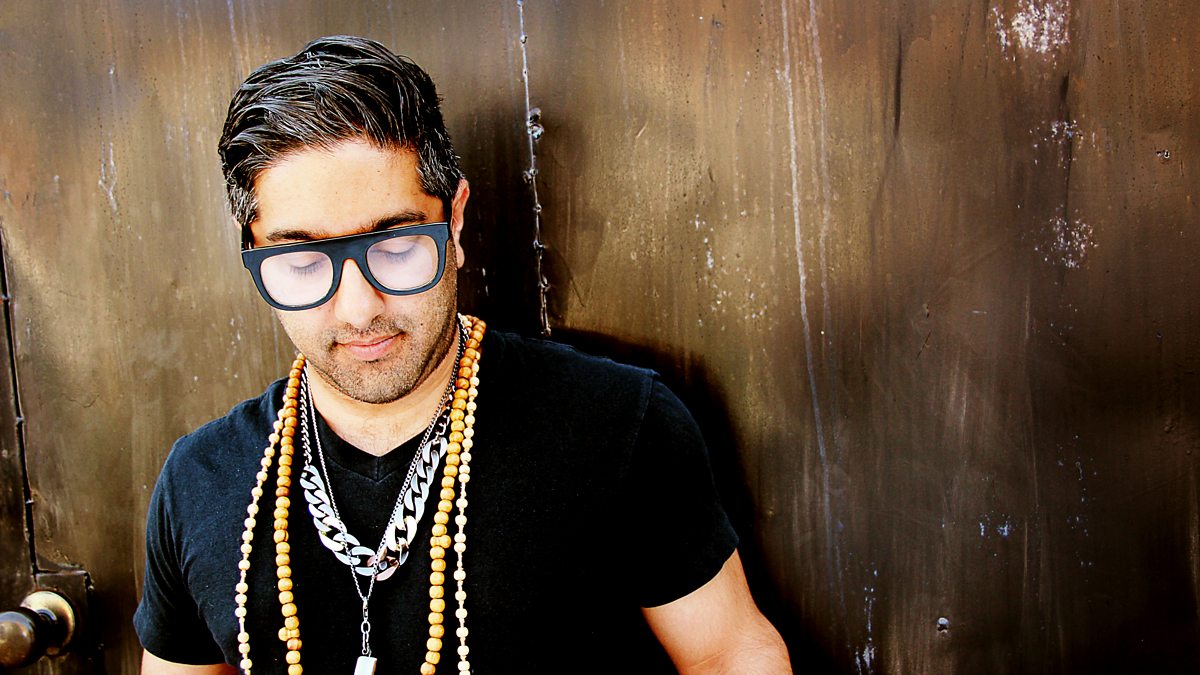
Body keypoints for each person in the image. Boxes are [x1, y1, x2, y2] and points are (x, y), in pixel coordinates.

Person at [135, 35, 789, 675]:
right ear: (251, 252)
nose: (358, 308)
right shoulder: (200, 481)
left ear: (454, 220)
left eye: (395, 246)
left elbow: (728, 653)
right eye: (303, 262)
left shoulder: (619, 425)